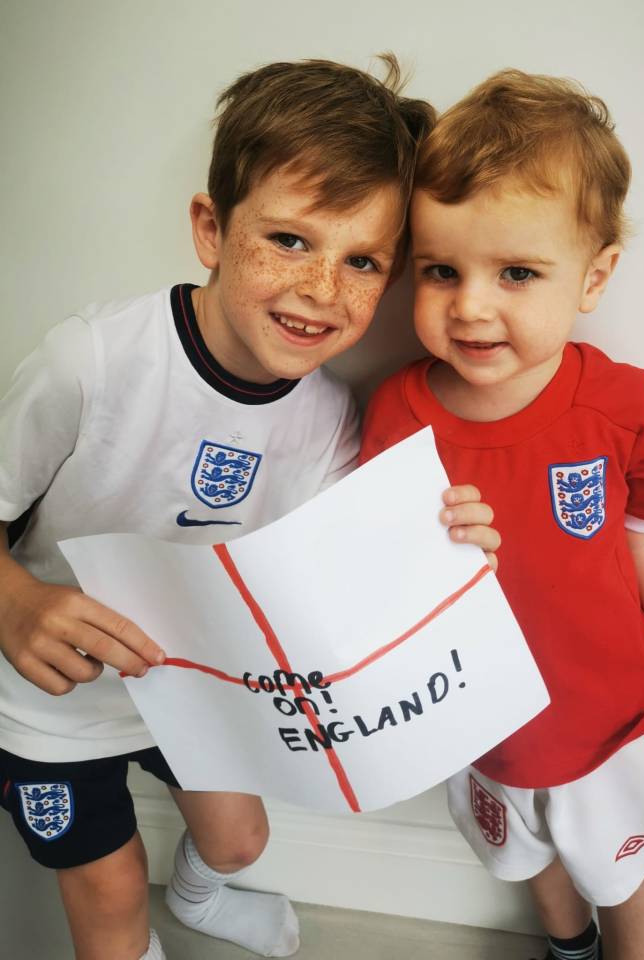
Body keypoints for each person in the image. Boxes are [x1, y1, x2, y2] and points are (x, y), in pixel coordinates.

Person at [0, 57, 500, 960]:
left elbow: (323, 579)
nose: (320, 290)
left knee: (241, 842)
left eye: (361, 262)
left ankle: (197, 897)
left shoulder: (327, 416)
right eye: (290, 241)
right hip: (49, 701)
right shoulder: (91, 364)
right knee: (110, 902)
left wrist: (441, 549)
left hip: (190, 688)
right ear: (210, 228)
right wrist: (14, 600)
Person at [359, 69, 644, 960]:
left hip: (609, 720)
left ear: (593, 276)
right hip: (481, 730)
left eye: (516, 273)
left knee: (623, 872)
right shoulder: (396, 412)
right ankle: (566, 948)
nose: (471, 305)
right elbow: (372, 580)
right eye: (440, 271)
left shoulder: (619, 402)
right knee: (529, 859)